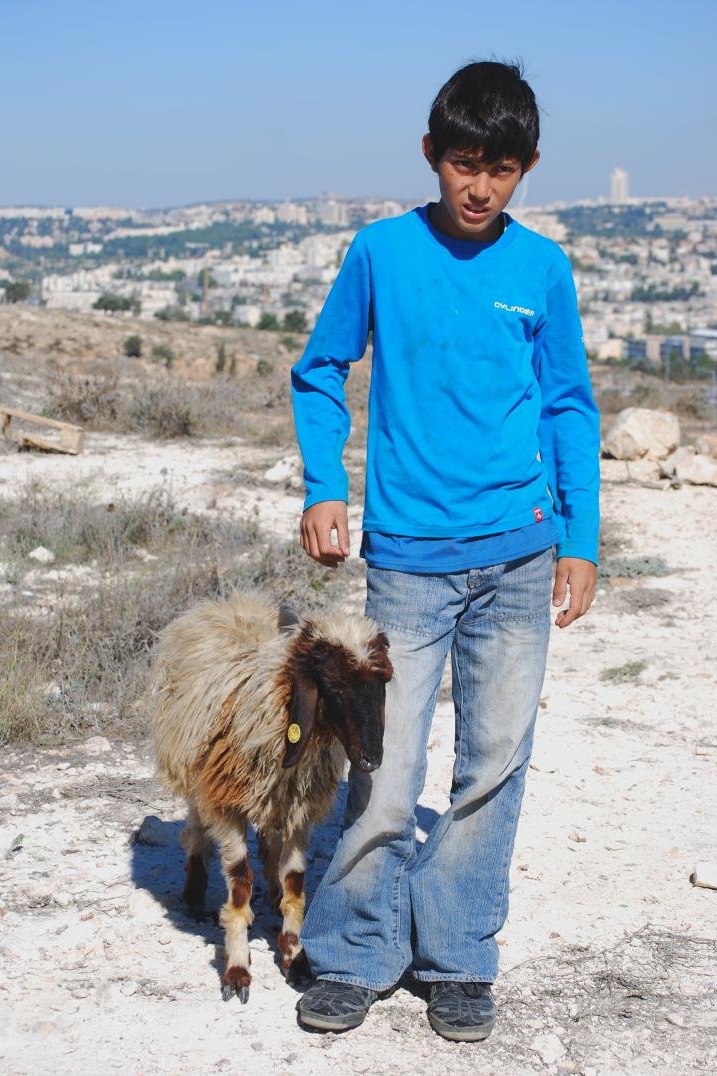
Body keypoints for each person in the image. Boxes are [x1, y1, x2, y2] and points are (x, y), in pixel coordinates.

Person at [289, 58, 600, 1042]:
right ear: (432, 155)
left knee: (495, 763)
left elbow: (567, 406)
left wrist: (580, 537)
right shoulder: (381, 253)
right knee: (383, 760)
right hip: (411, 564)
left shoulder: (543, 268)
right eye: (465, 162)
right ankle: (354, 953)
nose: (480, 186)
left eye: (502, 168)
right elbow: (319, 369)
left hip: (518, 557)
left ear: (528, 168)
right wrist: (325, 486)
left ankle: (458, 954)